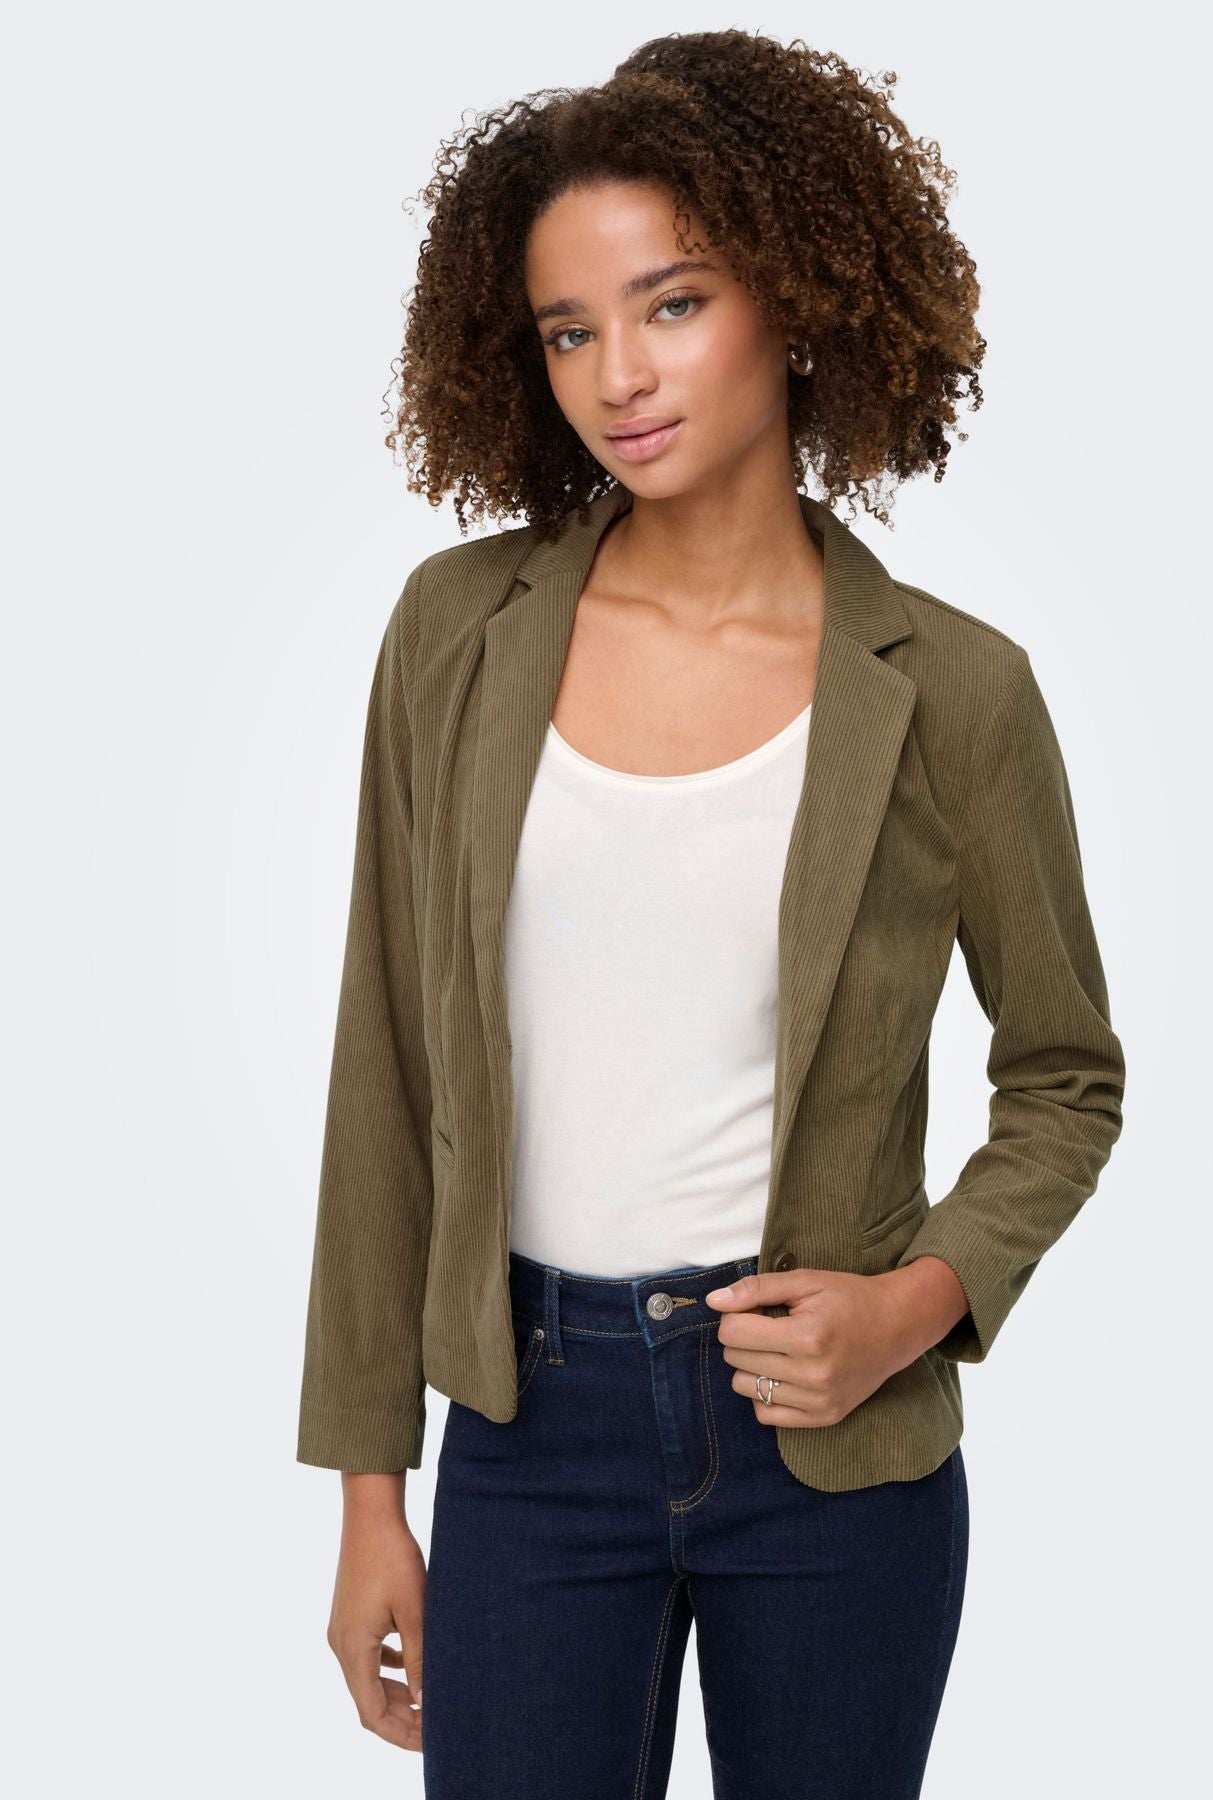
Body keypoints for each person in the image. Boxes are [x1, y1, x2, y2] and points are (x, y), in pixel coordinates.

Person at [296, 28, 1126, 1800]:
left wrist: (915, 1305)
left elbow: (1065, 1077)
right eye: (567, 330)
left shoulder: (951, 690)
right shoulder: (456, 634)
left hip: (833, 1450)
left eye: (671, 304)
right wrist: (371, 1494)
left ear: (795, 299)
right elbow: (384, 1068)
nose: (619, 375)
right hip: (529, 1425)